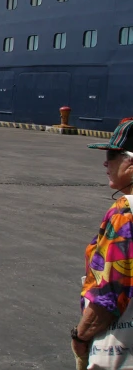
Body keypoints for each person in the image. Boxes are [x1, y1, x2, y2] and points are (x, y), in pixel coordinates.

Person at [71, 118, 133, 369]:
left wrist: (81, 336)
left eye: (113, 155)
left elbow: (111, 291)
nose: (106, 163)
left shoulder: (125, 215)